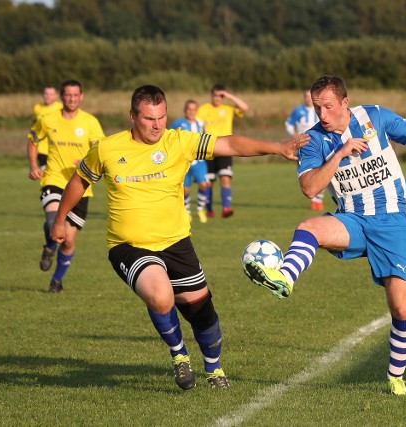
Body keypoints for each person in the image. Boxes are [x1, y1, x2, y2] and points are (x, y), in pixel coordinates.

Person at [50, 85, 308, 391]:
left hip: (176, 243)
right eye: (149, 118)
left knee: (203, 314)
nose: (157, 124)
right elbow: (79, 180)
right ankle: (179, 356)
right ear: (132, 116)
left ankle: (214, 369)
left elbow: (230, 144)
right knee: (160, 294)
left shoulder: (178, 141)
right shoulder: (107, 148)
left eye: (161, 117)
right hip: (128, 247)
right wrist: (60, 217)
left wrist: (277, 148)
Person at [243, 75, 406, 396]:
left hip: (394, 221)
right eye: (317, 107)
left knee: (401, 309)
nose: (322, 114)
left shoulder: (374, 116)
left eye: (328, 107)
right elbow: (309, 188)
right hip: (353, 220)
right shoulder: (313, 139)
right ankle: (284, 278)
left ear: (345, 103)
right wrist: (339, 154)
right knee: (309, 228)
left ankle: (395, 376)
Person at [27, 79, 105, 293]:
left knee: (68, 241)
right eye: (68, 95)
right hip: (53, 179)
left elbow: (100, 149)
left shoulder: (90, 122)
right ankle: (50, 247)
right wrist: (34, 165)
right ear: (62, 97)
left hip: (81, 185)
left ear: (81, 97)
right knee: (53, 222)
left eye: (75, 95)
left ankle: (56, 280)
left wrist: (88, 162)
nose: (71, 98)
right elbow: (33, 140)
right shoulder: (47, 118)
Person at [195, 83, 248, 218]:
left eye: (220, 96)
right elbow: (196, 125)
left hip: (225, 149)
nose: (217, 99)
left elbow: (244, 107)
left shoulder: (228, 109)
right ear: (211, 96)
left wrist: (229, 95)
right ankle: (209, 210)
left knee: (225, 178)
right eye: (215, 96)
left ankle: (226, 208)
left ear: (223, 97)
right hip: (208, 149)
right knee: (209, 182)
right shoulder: (203, 109)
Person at [169, 99, 211, 223]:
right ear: (185, 110)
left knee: (204, 184)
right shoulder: (177, 123)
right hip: (183, 162)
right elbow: (169, 137)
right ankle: (187, 212)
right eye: (189, 109)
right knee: (185, 189)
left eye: (193, 109)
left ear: (196, 111)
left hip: (199, 161)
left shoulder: (200, 123)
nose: (191, 112)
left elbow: (205, 138)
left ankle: (200, 209)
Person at [285, 89, 325, 210]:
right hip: (303, 147)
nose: (308, 99)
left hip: (319, 146)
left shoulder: (320, 109)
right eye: (306, 96)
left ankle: (318, 200)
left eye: (310, 96)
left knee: (321, 171)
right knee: (307, 173)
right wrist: (294, 135)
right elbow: (288, 124)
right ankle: (314, 200)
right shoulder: (298, 110)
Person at [31, 85, 63, 170]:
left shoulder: (61, 107)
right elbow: (34, 123)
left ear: (56, 96)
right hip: (42, 147)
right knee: (45, 172)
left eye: (51, 94)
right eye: (46, 94)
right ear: (42, 94)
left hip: (57, 145)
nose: (48, 96)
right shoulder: (37, 107)